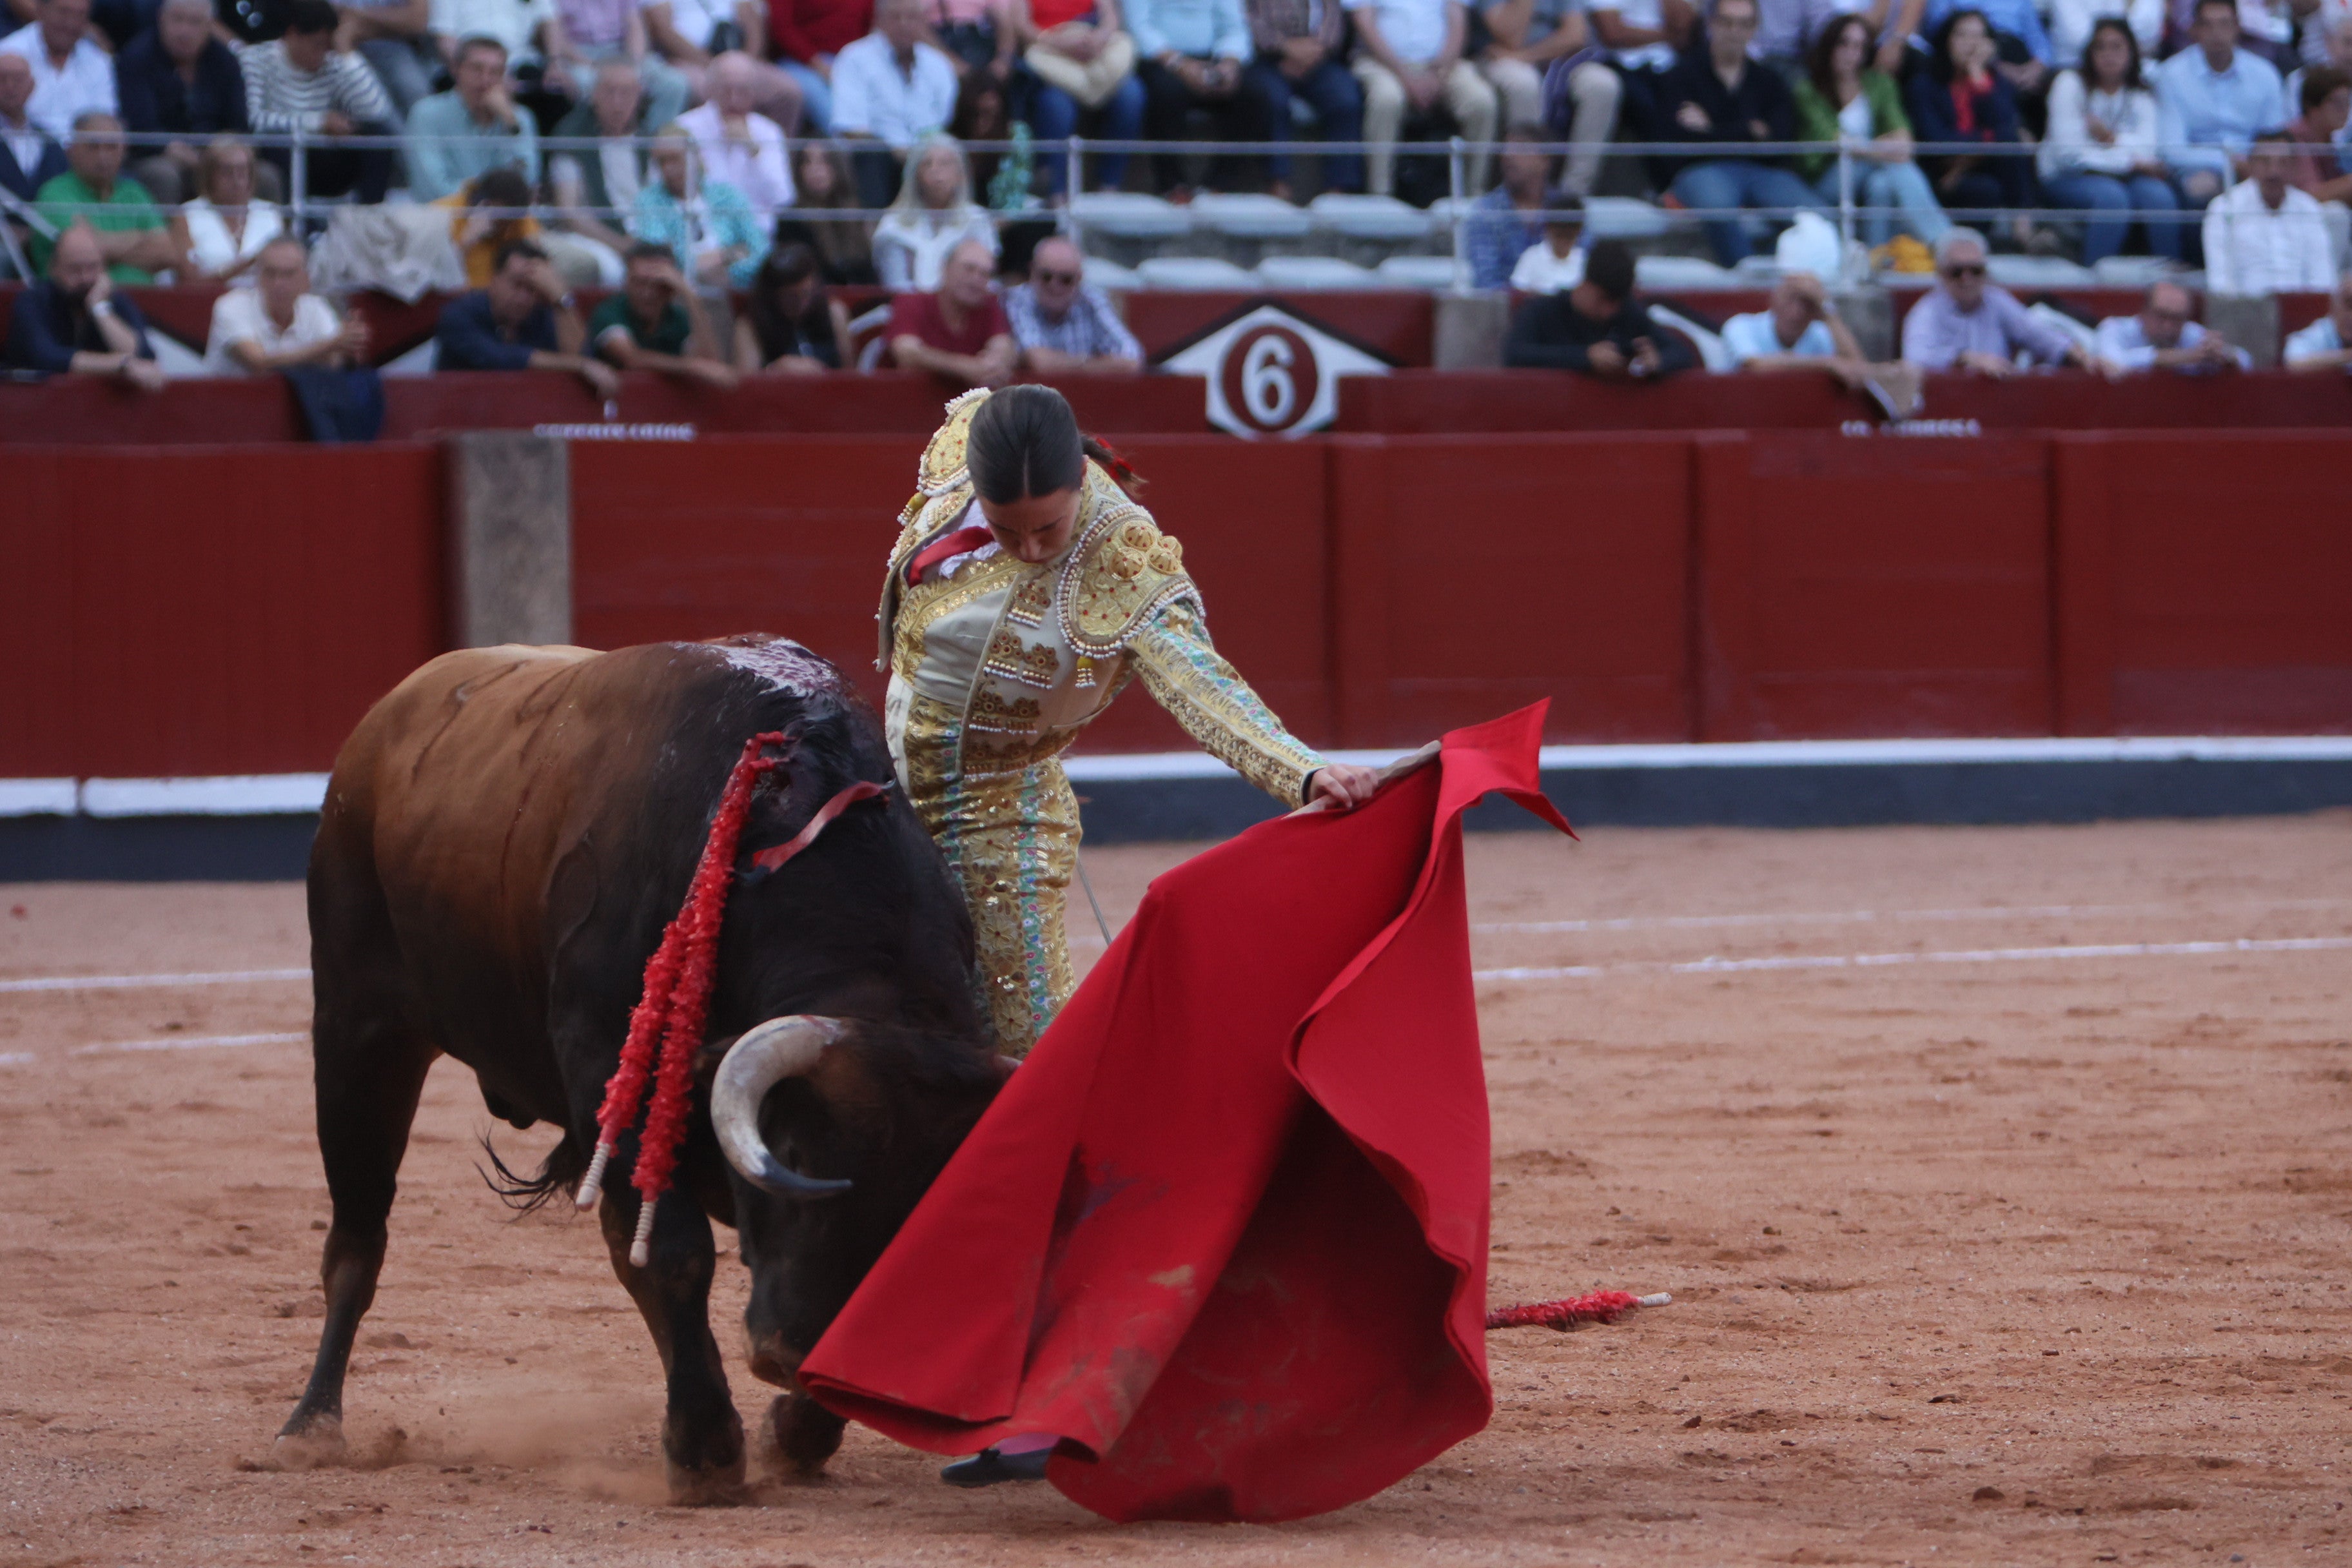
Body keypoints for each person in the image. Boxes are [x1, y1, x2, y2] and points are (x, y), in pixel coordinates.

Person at [875, 382, 1380, 1065]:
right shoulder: (969, 438)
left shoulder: (1120, 554)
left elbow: (1197, 680)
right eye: (1005, 529)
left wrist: (1302, 770)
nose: (1027, 548)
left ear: (1081, 480)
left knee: (1023, 1045)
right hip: (883, 773)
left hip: (996, 811)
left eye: (1047, 529)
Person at [1652, 0, 1827, 266]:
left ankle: (1775, 270)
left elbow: (1780, 144)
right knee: (1718, 210)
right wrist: (1749, 131)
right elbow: (1677, 145)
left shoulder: (1770, 81)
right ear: (1712, 24)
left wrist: (1711, 130)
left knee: (1816, 216)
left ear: (1755, 28)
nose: (1735, 31)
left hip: (1762, 172)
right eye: (1727, 22)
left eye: (1744, 24)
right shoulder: (1680, 76)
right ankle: (1749, 280)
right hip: (1702, 170)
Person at [1793, 11, 1946, 247]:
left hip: (1872, 168)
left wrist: (1869, 148)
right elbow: (1837, 142)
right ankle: (1943, 240)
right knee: (1891, 165)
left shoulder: (1879, 83)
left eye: (1859, 46)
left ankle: (1877, 257)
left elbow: (1904, 138)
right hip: (1826, 180)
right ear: (1829, 46)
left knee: (1882, 185)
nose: (1851, 53)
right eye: (1844, 44)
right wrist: (1881, 149)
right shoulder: (1808, 91)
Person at [2038, 17, 2184, 263]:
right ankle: (2096, 281)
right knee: (2112, 199)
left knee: (2160, 197)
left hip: (2125, 176)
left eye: (2117, 47)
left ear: (2131, 52)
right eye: (2101, 47)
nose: (2109, 55)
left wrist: (2109, 138)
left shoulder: (2140, 93)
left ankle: (2168, 278)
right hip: (2067, 177)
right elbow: (2069, 155)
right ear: (2089, 52)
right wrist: (2129, 160)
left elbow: (2148, 150)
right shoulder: (2069, 84)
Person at [242, 0, 399, 204]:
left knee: (377, 136)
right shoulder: (255, 59)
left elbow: (376, 112)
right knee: (279, 146)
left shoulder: (334, 62)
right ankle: (293, 224)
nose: (324, 54)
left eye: (329, 46)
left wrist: (346, 53)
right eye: (317, 45)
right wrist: (318, 123)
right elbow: (254, 121)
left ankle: (366, 221)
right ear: (293, 34)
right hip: (281, 155)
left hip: (328, 156)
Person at [1906, 8, 2035, 253]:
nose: (1970, 45)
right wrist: (1985, 142)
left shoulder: (1994, 83)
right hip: (1942, 173)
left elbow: (2005, 127)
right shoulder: (1924, 85)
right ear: (1947, 40)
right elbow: (1936, 141)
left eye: (1978, 37)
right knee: (1986, 187)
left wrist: (1979, 79)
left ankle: (2023, 226)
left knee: (2008, 143)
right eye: (1962, 36)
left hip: (1974, 168)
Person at [433, 235, 620, 396]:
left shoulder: (541, 315)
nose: (523, 298)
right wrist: (580, 365)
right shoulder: (459, 314)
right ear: (494, 279)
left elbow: (579, 356)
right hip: (462, 417)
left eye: (532, 289)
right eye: (516, 284)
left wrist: (561, 299)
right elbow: (501, 359)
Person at [1346, 0, 1498, 196]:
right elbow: (1364, 22)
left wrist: (1440, 73)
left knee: (1481, 102)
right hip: (1381, 63)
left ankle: (1473, 194)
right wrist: (1405, 76)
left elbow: (1458, 19)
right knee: (1387, 99)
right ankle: (1380, 194)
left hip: (1444, 65)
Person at [1899, 226, 2092, 373]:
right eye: (1957, 272)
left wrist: (2078, 355)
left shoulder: (1996, 300)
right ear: (1942, 275)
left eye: (1976, 271)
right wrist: (1963, 359)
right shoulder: (1927, 310)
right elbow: (1915, 359)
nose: (1967, 279)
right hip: (1949, 409)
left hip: (1999, 400)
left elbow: (2036, 333)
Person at [2156, 0, 2286, 217]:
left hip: (2256, 169)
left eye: (2224, 24)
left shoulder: (2265, 75)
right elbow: (2172, 150)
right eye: (2208, 25)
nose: (2216, 33)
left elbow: (2276, 140)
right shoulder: (2171, 75)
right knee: (2201, 187)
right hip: (2199, 170)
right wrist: (2231, 162)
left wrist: (2254, 166)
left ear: (2238, 27)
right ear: (2195, 30)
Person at [113, 0, 250, 206]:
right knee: (164, 175)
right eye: (177, 20)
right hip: (157, 153)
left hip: (216, 152)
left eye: (195, 22)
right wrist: (172, 148)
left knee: (264, 176)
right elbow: (139, 125)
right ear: (161, 19)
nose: (184, 31)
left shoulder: (225, 61)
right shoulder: (136, 58)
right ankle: (166, 237)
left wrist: (219, 152)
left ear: (210, 26)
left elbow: (238, 122)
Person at [1502, 234, 1697, 377]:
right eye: (1603, 299)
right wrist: (1584, 357)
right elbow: (1515, 354)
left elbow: (1681, 352)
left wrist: (1658, 360)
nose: (1610, 311)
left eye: (1617, 302)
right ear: (1586, 285)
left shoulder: (1627, 313)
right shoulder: (1543, 311)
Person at [1126, 0, 1263, 195]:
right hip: (1159, 59)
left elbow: (1235, 25)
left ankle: (1219, 185)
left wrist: (1230, 62)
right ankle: (1172, 186)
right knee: (1166, 93)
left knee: (1253, 93)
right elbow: (1138, 26)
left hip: (1214, 57)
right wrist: (1178, 64)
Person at [832, 0, 960, 205]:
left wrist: (921, 154)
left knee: (948, 156)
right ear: (880, 20)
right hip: (882, 156)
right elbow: (850, 128)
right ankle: (875, 229)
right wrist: (898, 151)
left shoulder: (937, 64)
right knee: (871, 154)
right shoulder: (854, 58)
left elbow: (945, 120)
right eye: (896, 17)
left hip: (927, 156)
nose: (904, 24)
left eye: (911, 17)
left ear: (923, 21)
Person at [1013, 0, 1146, 197]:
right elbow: (1021, 26)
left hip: (1093, 53)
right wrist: (1057, 42)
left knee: (1131, 94)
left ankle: (1109, 184)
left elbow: (1110, 18)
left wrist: (1098, 39)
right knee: (1055, 105)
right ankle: (1056, 192)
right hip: (1050, 57)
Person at [1478, 0, 1612, 193]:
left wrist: (1527, 56)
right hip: (1499, 59)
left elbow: (1575, 35)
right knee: (1524, 84)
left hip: (1550, 58)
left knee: (1602, 85)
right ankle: (1525, 192)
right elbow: (1512, 37)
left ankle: (1573, 194)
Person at [32, 112, 179, 282]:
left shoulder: (134, 192)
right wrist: (140, 238)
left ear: (124, 150)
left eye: (111, 146)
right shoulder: (54, 194)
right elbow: (84, 251)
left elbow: (168, 253)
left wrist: (104, 245)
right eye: (93, 147)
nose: (103, 156)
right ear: (71, 150)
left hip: (140, 302)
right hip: (76, 302)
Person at [545, 55, 649, 280]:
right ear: (594, 95)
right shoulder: (572, 138)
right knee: (613, 272)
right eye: (609, 92)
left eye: (627, 93)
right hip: (593, 238)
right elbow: (568, 212)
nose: (618, 102)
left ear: (639, 94)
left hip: (645, 236)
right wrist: (622, 245)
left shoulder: (650, 139)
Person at [1244, 0, 1362, 197]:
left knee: (1346, 98)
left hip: (1317, 56)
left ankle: (1338, 190)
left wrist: (1316, 50)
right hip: (1269, 57)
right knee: (1273, 99)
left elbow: (1333, 16)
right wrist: (1284, 46)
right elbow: (1247, 18)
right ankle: (1278, 185)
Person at [629, 120, 769, 286]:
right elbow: (662, 257)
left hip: (736, 285)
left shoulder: (728, 195)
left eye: (675, 159)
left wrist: (729, 273)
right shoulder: (649, 201)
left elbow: (760, 250)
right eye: (662, 162)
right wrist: (727, 255)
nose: (668, 168)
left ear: (695, 156)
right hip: (680, 290)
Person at [404, 33, 540, 200]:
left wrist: (511, 124)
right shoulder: (426, 113)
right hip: (445, 218)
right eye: (477, 69)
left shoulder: (518, 118)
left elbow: (528, 181)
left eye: (495, 72)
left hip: (506, 220)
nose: (485, 80)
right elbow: (431, 189)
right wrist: (492, 201)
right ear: (456, 69)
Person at [204, 233, 368, 371]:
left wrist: (348, 346)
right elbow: (258, 363)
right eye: (270, 273)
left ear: (305, 279)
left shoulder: (316, 308)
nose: (279, 283)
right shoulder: (231, 306)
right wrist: (333, 344)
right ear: (257, 276)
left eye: (288, 274)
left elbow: (333, 362)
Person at [2201, 129, 2335, 292]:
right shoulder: (2224, 208)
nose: (2274, 172)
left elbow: (2322, 279)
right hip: (2244, 311)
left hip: (2301, 310)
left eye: (2283, 162)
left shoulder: (2309, 208)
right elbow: (2220, 283)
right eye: (2265, 161)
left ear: (2294, 166)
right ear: (2250, 163)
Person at [588, 239, 737, 384]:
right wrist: (689, 366)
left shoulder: (677, 317)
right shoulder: (610, 311)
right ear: (626, 282)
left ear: (672, 288)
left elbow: (710, 363)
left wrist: (689, 295)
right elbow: (632, 358)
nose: (647, 293)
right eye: (639, 283)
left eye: (658, 284)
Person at [680, 50, 798, 224]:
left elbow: (782, 198)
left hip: (755, 237)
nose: (734, 100)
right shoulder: (685, 128)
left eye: (743, 91)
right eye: (726, 90)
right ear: (710, 90)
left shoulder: (768, 131)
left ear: (755, 93)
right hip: (702, 234)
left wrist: (754, 151)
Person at [642, 0, 803, 121]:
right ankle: (706, 161)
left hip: (737, 60)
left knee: (788, 93)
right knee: (707, 91)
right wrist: (712, 65)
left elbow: (753, 21)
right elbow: (662, 29)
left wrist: (746, 62)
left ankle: (771, 159)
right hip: (687, 61)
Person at [871, 132, 995, 286]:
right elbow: (895, 286)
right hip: (910, 306)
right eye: (927, 164)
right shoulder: (893, 225)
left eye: (945, 164)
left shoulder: (977, 221)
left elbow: (985, 278)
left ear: (960, 174)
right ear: (915, 175)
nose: (936, 171)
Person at [1004, 233, 1140, 371]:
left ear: (1079, 279)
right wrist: (1095, 363)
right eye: (1046, 277)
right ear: (1032, 271)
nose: (1054, 285)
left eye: (1066, 279)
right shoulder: (1019, 300)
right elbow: (1040, 363)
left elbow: (1131, 359)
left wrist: (1075, 364)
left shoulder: (1092, 299)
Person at [888, 232, 1014, 379]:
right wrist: (964, 368)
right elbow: (907, 353)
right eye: (969, 269)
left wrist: (997, 360)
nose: (976, 280)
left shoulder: (989, 306)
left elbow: (1003, 345)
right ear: (945, 268)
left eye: (985, 274)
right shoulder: (912, 302)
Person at [543, 0, 689, 126]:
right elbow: (557, 37)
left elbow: (635, 27)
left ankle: (652, 146)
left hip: (622, 52)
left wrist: (632, 64)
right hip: (580, 56)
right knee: (585, 83)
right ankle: (596, 149)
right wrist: (592, 65)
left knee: (673, 84)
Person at [170, 133, 286, 282]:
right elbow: (189, 281)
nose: (237, 180)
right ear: (210, 175)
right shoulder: (188, 214)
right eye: (227, 172)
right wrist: (243, 266)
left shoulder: (269, 213)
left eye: (242, 171)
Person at [1464, 126, 1570, 288]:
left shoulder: (1567, 209)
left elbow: (1581, 267)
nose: (1508, 156)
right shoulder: (1486, 212)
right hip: (1505, 310)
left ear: (1545, 160)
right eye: (1506, 149)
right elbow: (1487, 283)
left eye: (1521, 148)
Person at [0, 0, 115, 141]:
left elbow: (105, 120)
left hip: (83, 156)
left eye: (79, 15)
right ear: (41, 10)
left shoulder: (98, 61)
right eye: (63, 12)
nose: (70, 23)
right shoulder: (8, 54)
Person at [770, 137, 878, 281]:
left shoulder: (860, 213)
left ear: (838, 166)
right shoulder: (791, 220)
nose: (815, 170)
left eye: (824, 161)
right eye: (807, 162)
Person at [732, 240, 847, 370]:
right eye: (790, 297)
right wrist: (775, 369)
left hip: (827, 387)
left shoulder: (834, 313)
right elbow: (746, 383)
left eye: (806, 293)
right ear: (772, 296)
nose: (801, 303)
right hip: (775, 388)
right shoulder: (750, 326)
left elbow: (850, 374)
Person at [2090, 278, 2248, 373]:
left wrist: (2225, 356)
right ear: (2144, 312)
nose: (2168, 326)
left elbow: (2245, 360)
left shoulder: (2190, 333)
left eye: (2177, 319)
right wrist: (2183, 357)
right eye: (2162, 316)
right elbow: (2113, 362)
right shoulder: (2115, 328)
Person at [769, 0, 872, 133]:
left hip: (853, 59)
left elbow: (871, 23)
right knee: (834, 108)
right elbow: (782, 28)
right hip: (800, 62)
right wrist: (819, 65)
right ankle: (854, 146)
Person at [1918, 0, 2051, 96]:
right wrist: (1996, 66)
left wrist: (2034, 70)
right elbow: (1938, 33)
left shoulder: (2021, 2)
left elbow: (2039, 43)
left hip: (2017, 57)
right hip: (1969, 49)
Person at [336, 0, 440, 117]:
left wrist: (361, 16)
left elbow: (417, 21)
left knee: (416, 91)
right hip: (333, 46)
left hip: (392, 45)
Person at [437, 164, 539, 284]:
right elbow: (435, 274)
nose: (505, 227)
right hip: (457, 293)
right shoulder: (444, 214)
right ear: (484, 203)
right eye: (500, 219)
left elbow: (537, 257)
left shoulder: (517, 217)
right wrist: (467, 241)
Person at [950, 67, 1032, 206]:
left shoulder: (1017, 135)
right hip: (958, 221)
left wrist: (986, 228)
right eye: (976, 114)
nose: (984, 124)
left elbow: (1014, 202)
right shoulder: (949, 140)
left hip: (1000, 221)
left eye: (990, 114)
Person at [0, 50, 68, 206]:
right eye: (2, 79)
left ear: (31, 86)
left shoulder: (50, 142)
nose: (10, 87)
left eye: (18, 79)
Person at [2047, 0, 2158, 70]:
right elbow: (2079, 37)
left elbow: (2150, 34)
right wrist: (2124, 44)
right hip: (2075, 67)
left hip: (2132, 69)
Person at [1506, 196, 1583, 288]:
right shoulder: (1531, 257)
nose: (1563, 241)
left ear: (1578, 232)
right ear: (1548, 229)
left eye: (1569, 236)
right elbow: (1517, 291)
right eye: (1559, 235)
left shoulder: (1584, 259)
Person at [2282, 268, 2352, 366]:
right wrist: (2347, 357)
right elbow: (2293, 360)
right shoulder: (2323, 332)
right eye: (2349, 304)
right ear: (2333, 307)